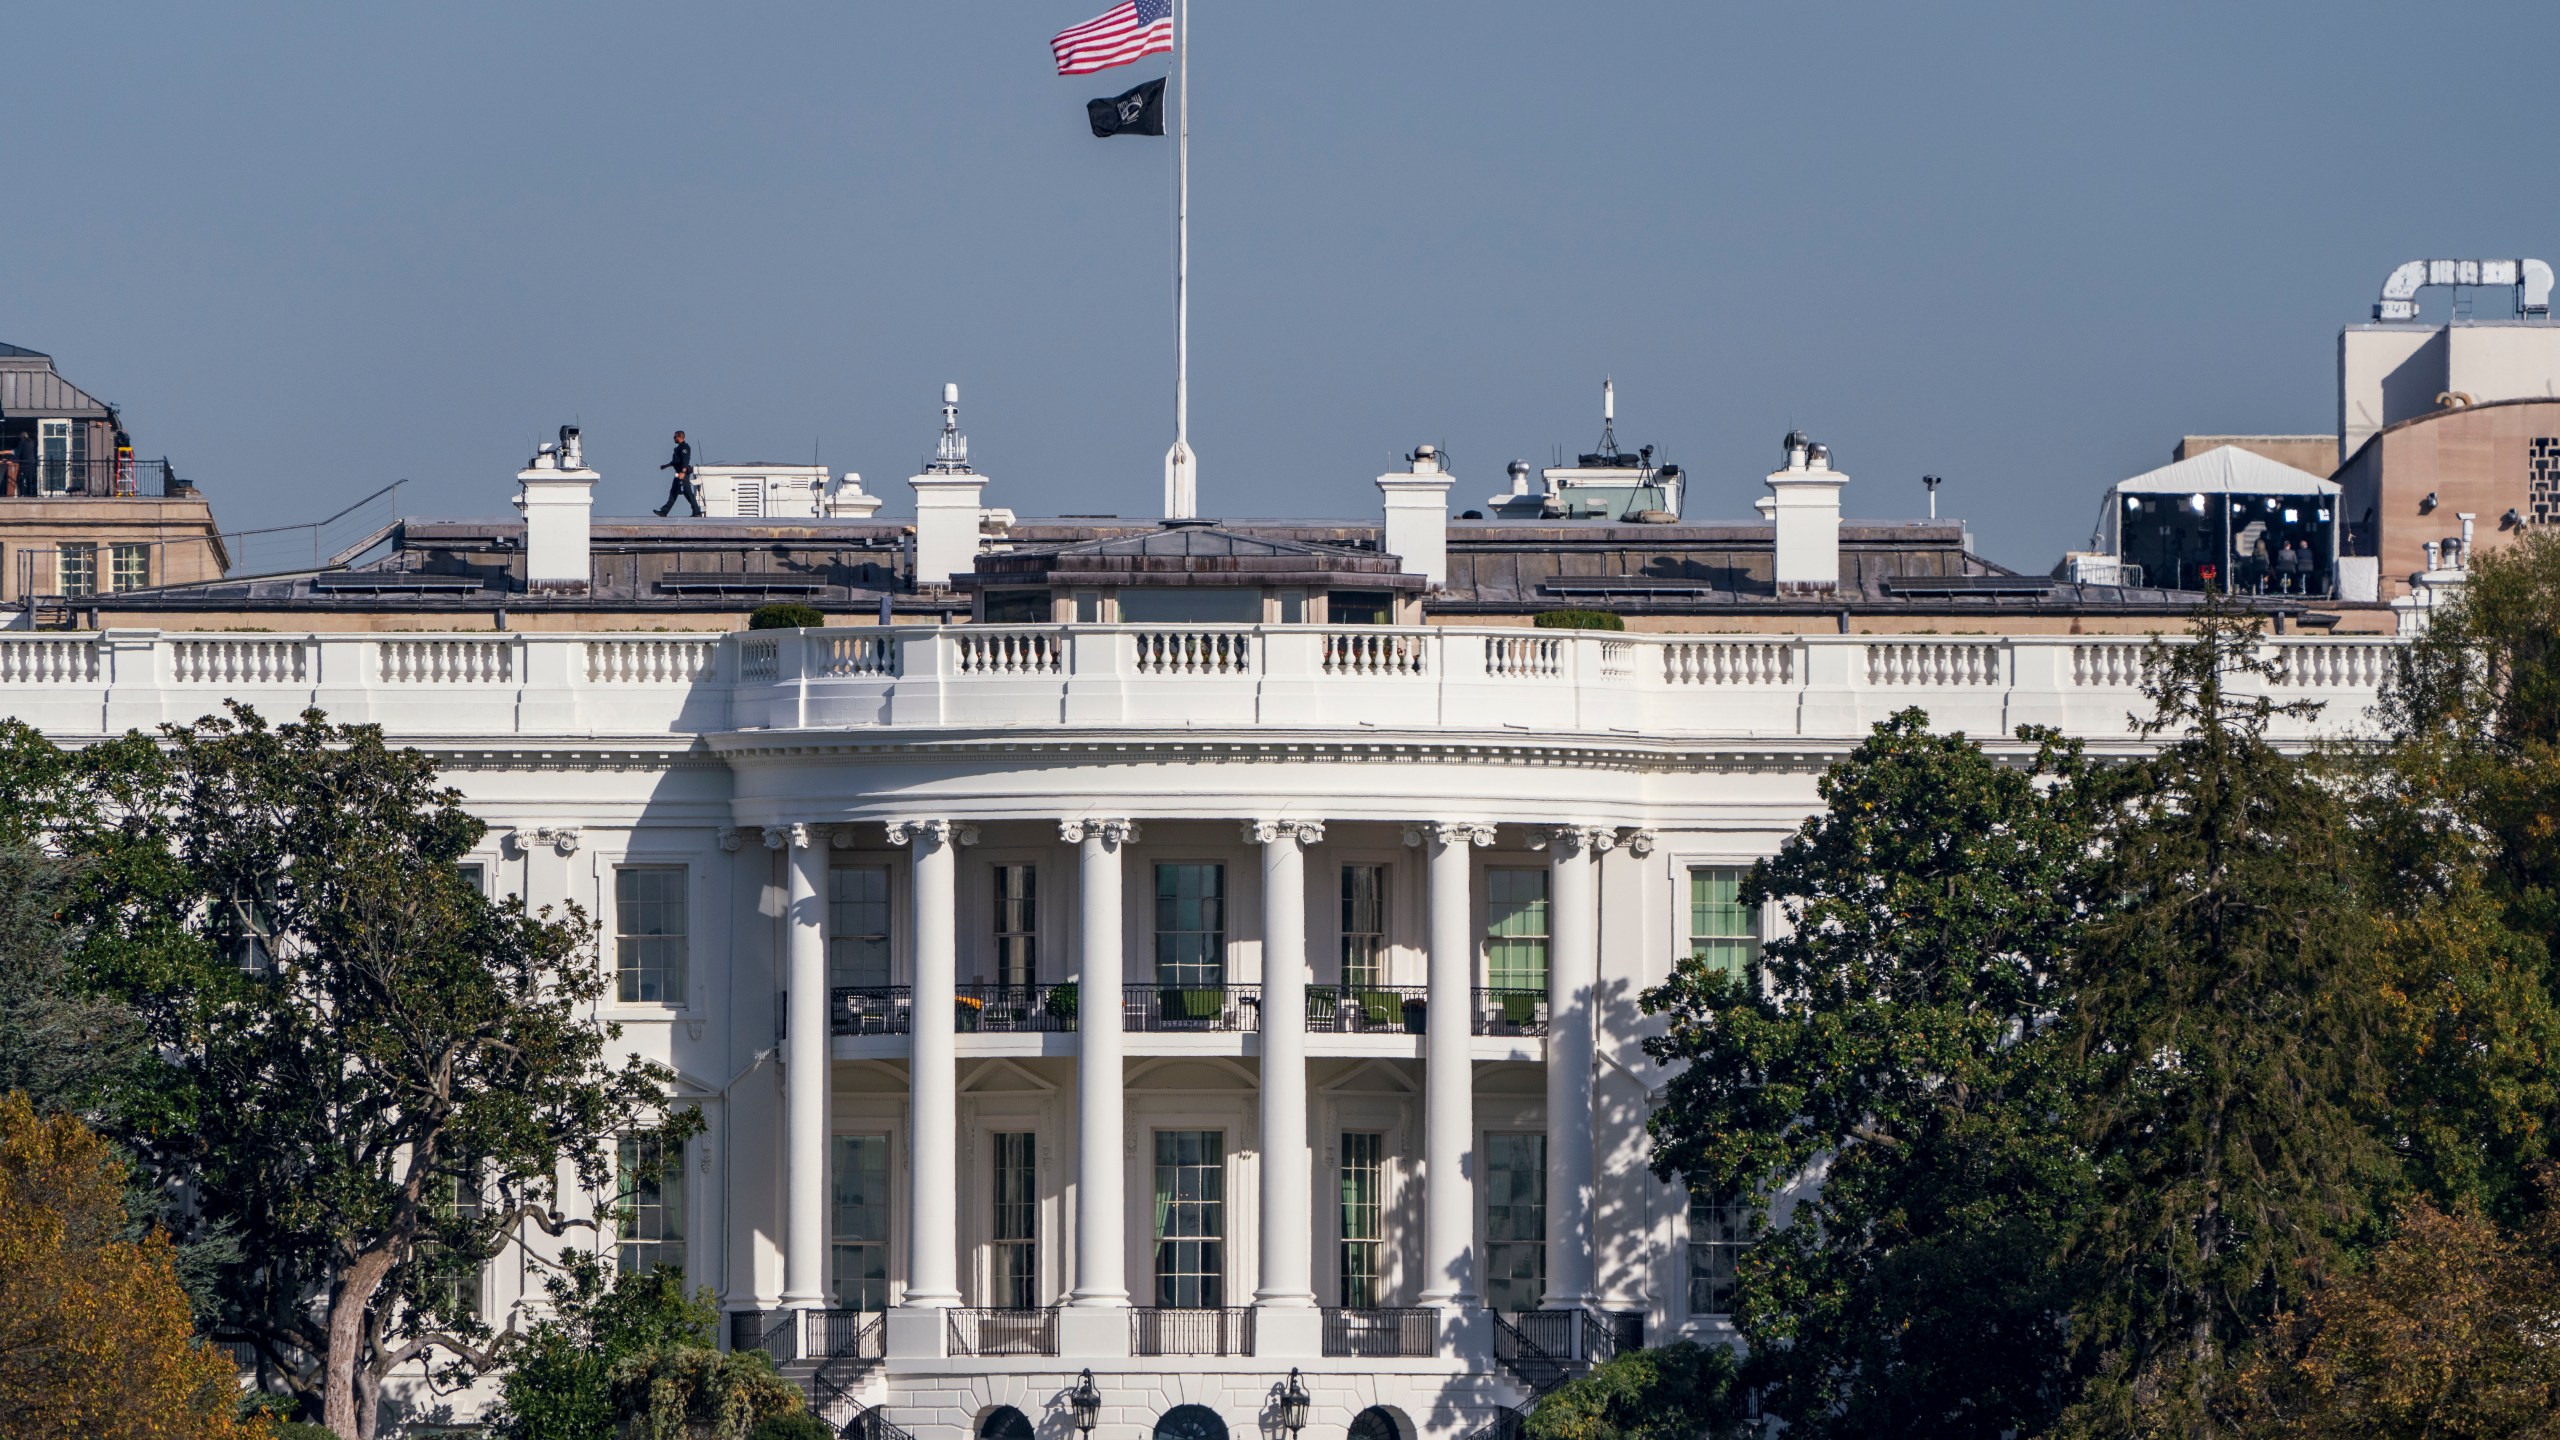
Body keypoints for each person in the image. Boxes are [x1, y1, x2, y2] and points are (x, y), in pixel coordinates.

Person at [655, 430, 701, 517]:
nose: (673, 438)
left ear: (679, 437)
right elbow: (676, 461)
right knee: (673, 492)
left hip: (682, 474)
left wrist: (683, 472)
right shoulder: (679, 448)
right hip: (678, 474)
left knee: (687, 493)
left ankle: (697, 512)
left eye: (675, 437)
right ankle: (664, 512)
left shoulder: (684, 447)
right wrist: (666, 465)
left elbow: (685, 460)